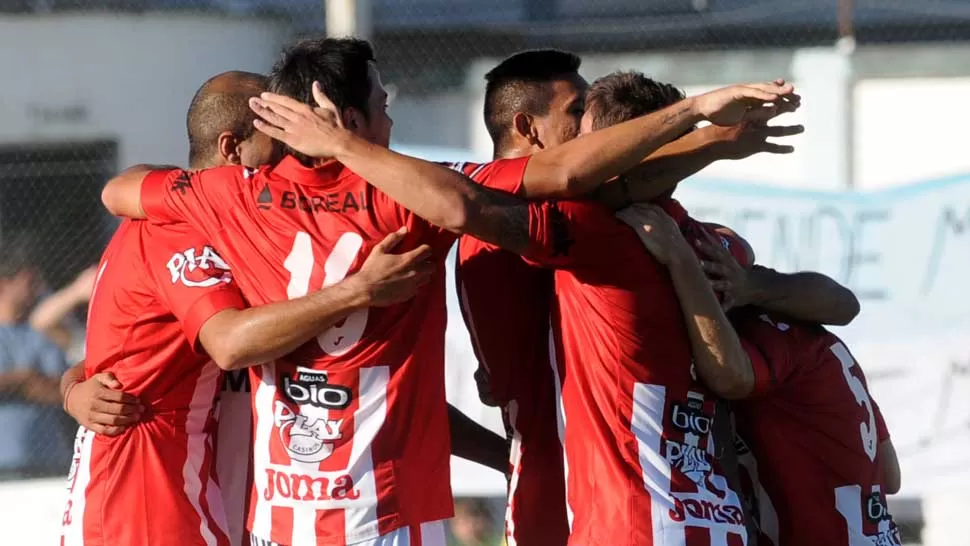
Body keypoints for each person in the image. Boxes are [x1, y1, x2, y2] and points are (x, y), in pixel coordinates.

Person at [99, 36, 797, 545]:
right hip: (393, 512)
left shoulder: (230, 195)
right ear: (345, 121)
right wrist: (700, 118)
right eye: (382, 104)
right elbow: (563, 180)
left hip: (282, 517)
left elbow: (120, 188)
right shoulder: (412, 196)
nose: (394, 120)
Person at [59, 70, 437, 546]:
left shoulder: (244, 231)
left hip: (221, 493)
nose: (288, 164)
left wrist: (72, 384)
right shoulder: (177, 228)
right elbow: (230, 344)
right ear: (231, 148)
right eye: (276, 146)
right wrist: (358, 290)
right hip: (147, 497)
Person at [456, 50, 803, 546]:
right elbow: (594, 182)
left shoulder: (657, 229)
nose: (590, 129)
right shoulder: (503, 209)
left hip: (629, 495)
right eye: (577, 111)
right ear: (528, 129)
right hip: (566, 499)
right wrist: (706, 134)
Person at [587, 71, 900, 544]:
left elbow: (732, 373)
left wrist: (685, 261)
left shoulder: (751, 314)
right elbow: (890, 475)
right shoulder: (736, 262)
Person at [0, 233, 73, 478]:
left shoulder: (43, 329)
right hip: (6, 464)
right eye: (28, 281)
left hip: (52, 461)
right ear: (4, 284)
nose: (37, 288)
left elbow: (63, 387)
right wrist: (26, 379)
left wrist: (20, 383)